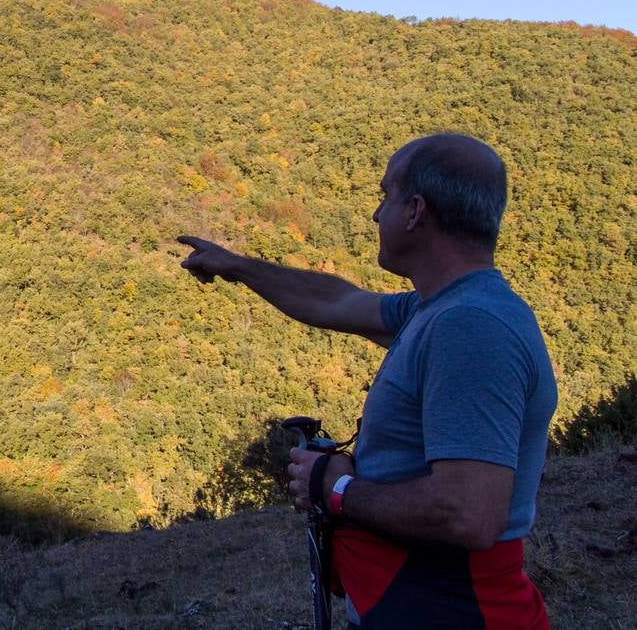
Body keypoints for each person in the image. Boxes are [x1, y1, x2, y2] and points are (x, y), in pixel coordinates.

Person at [179, 134, 555, 628]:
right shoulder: (435, 308)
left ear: (416, 211)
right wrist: (235, 266)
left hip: (452, 609)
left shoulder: (470, 327)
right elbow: (336, 301)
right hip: (416, 600)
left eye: (386, 196)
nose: (377, 214)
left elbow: (470, 513)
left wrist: (336, 487)